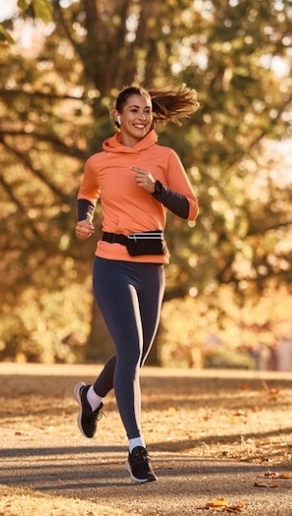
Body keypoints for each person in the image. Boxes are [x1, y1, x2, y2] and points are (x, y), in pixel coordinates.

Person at [73, 84, 201, 483]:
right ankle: (136, 447)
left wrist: (158, 190)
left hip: (151, 265)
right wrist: (85, 218)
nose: (142, 116)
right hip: (111, 263)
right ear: (118, 116)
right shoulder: (99, 161)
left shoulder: (165, 158)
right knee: (130, 349)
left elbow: (191, 209)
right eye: (134, 110)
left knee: (137, 354)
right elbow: (86, 193)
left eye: (146, 110)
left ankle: (91, 397)